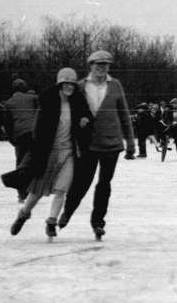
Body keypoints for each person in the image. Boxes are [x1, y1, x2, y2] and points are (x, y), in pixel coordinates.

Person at [5, 67, 93, 239]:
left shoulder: (78, 102)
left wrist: (85, 121)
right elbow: (38, 129)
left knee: (62, 189)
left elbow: (88, 117)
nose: (69, 87)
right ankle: (23, 214)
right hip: (48, 152)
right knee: (37, 191)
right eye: (65, 83)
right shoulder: (47, 102)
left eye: (72, 84)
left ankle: (51, 222)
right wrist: (37, 151)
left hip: (68, 153)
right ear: (59, 84)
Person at [58, 50, 136, 240]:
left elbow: (124, 114)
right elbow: (71, 113)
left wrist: (131, 142)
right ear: (90, 65)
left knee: (104, 184)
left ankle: (98, 222)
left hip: (112, 144)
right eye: (98, 64)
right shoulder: (80, 86)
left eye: (106, 65)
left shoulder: (115, 85)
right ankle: (67, 212)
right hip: (89, 144)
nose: (102, 68)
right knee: (82, 182)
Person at [2, 78, 40, 169]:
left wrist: (12, 140)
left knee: (21, 160)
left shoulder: (8, 103)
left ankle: (21, 180)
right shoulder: (33, 98)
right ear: (25, 88)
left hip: (20, 134)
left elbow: (8, 125)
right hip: (34, 132)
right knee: (37, 159)